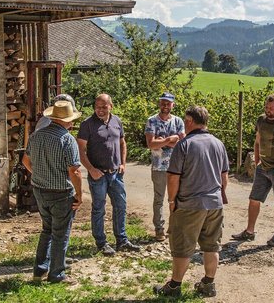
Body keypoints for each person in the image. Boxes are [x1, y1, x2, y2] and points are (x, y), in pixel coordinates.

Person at [153, 106, 229, 298]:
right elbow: (224, 176)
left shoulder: (184, 145)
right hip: (214, 203)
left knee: (182, 247)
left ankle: (174, 287)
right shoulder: (218, 143)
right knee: (212, 246)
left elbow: (173, 177)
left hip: (190, 204)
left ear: (189, 121)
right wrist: (221, 195)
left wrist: (172, 201)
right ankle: (208, 284)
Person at [22, 100, 83, 284]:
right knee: (60, 234)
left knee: (46, 230)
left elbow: (25, 160)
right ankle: (57, 274)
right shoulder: (67, 139)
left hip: (40, 190)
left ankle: (39, 271)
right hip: (61, 192)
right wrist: (79, 195)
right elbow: (74, 171)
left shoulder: (36, 136)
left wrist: (39, 174)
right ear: (68, 120)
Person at [231, 93, 274, 247]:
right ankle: (249, 232)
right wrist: (257, 161)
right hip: (263, 168)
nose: (268, 110)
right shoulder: (261, 120)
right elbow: (257, 141)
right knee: (254, 199)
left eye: (271, 108)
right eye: (266, 107)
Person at [77, 93, 140, 256]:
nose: (100, 110)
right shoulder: (87, 124)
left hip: (116, 174)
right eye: (97, 107)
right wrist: (91, 169)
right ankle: (101, 242)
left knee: (121, 206)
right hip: (98, 175)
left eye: (104, 107)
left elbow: (122, 142)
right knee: (99, 208)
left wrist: (123, 163)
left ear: (110, 106)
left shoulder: (116, 121)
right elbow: (81, 151)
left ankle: (122, 240)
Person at [144, 92, 185, 241]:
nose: (165, 106)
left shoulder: (179, 121)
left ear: (173, 105)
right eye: (163, 103)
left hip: (176, 166)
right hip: (158, 166)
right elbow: (151, 144)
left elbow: (182, 143)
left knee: (176, 198)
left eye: (168, 103)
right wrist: (169, 139)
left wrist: (161, 141)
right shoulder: (151, 121)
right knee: (159, 199)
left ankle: (174, 227)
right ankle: (159, 228)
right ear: (159, 104)